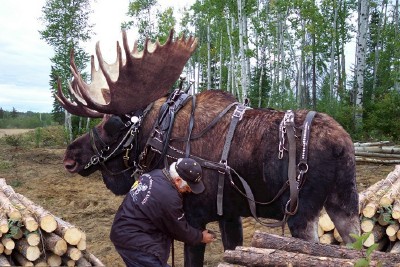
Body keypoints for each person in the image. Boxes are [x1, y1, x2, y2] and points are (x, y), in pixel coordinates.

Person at [110, 158, 216, 267]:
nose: (189, 191)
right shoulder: (169, 197)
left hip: (125, 232)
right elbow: (179, 229)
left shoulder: (155, 174)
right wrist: (200, 237)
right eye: (188, 187)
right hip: (135, 242)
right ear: (178, 180)